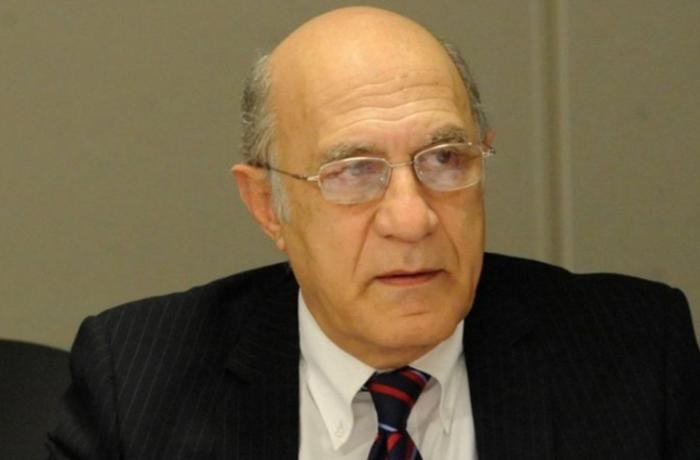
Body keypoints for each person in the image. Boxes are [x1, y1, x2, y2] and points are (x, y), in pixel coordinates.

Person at [47, 6, 699, 459]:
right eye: (353, 171)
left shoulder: (637, 356)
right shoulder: (136, 385)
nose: (411, 219)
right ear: (268, 205)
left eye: (445, 159)